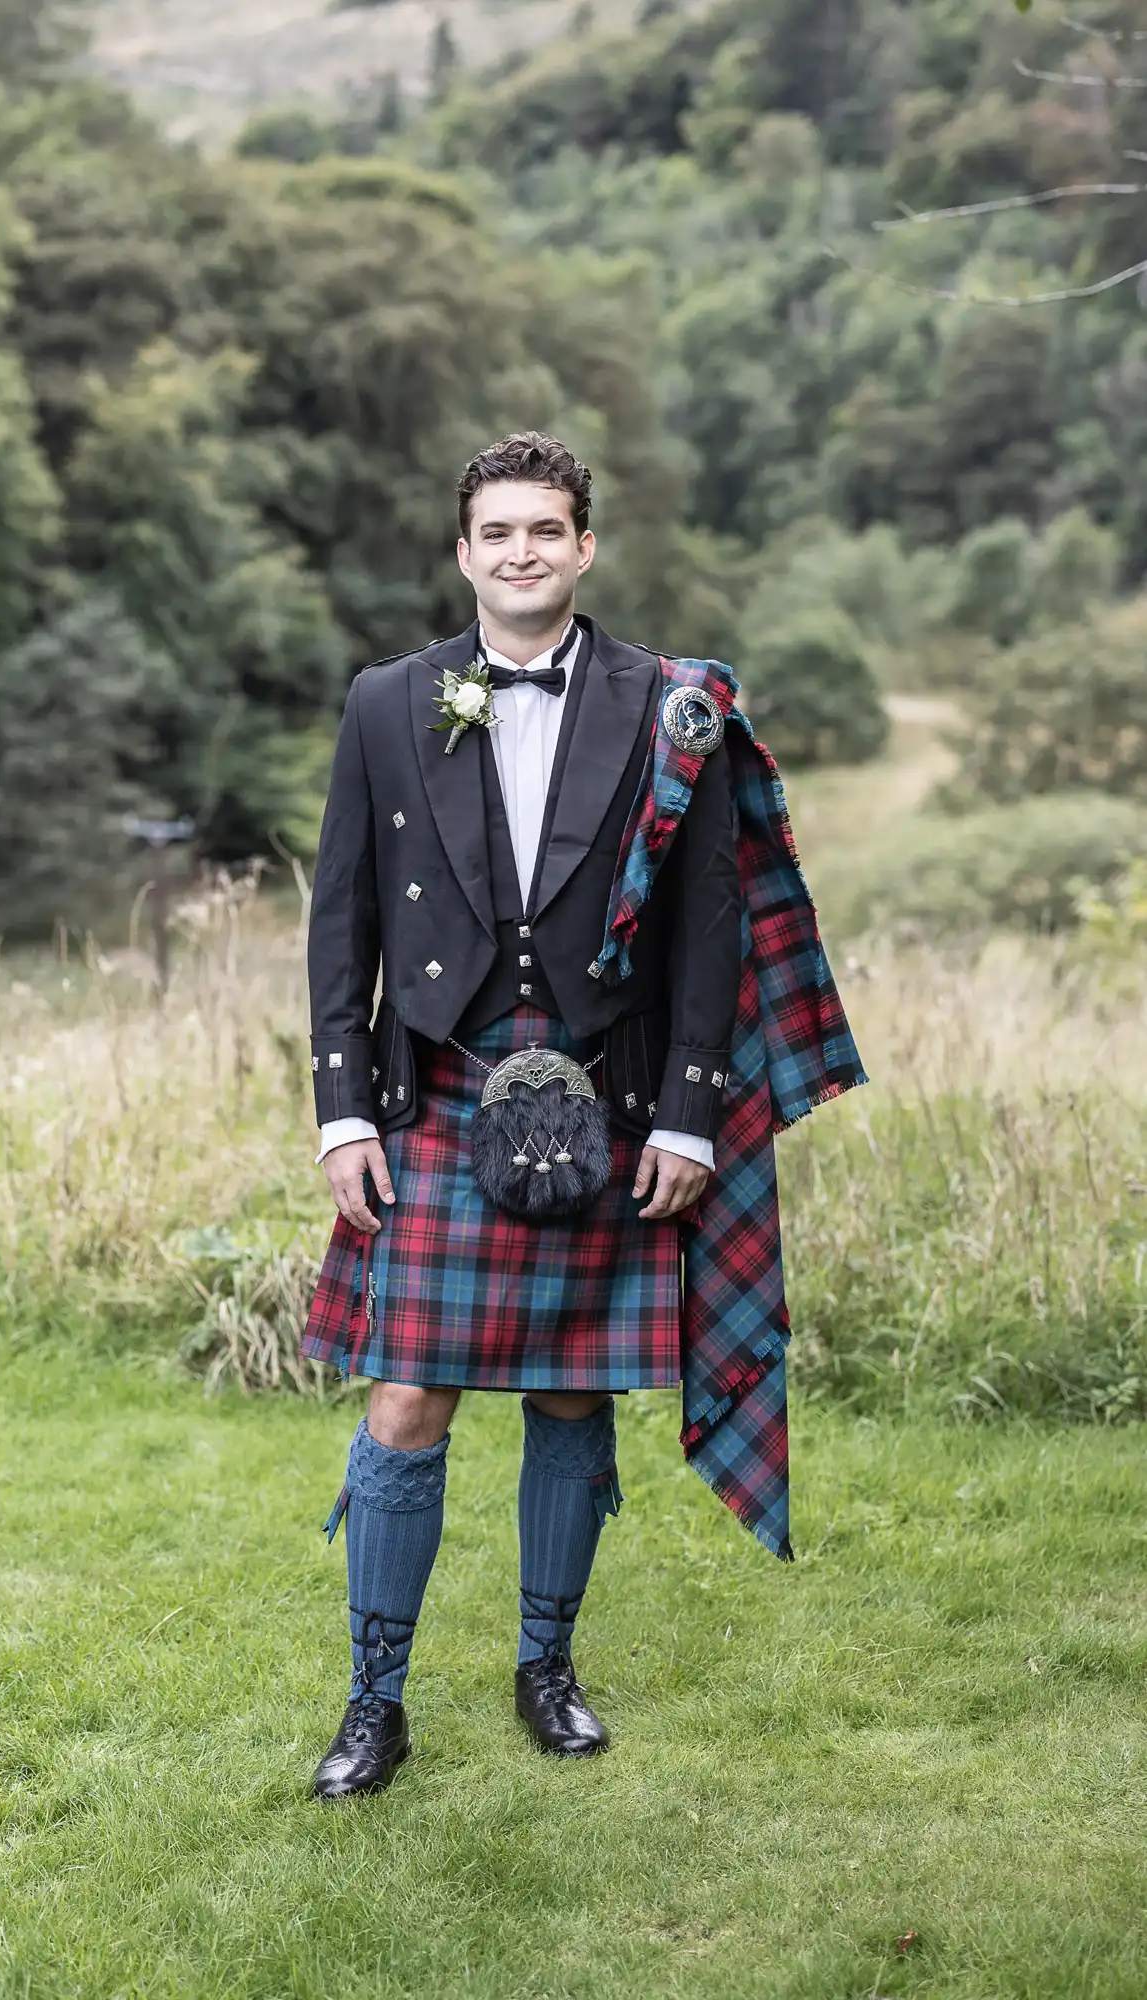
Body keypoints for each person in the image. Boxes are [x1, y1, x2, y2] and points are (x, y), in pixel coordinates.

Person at [301, 432, 865, 1799]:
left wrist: (687, 1116)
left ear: (585, 545)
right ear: (464, 551)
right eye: (496, 532)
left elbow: (709, 930)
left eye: (545, 530)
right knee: (407, 1399)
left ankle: (547, 1670)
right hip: (437, 1087)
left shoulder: (669, 709)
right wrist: (340, 1114)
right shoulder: (388, 702)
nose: (520, 552)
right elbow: (342, 921)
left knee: (568, 1387)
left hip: (610, 1094)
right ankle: (374, 1703)